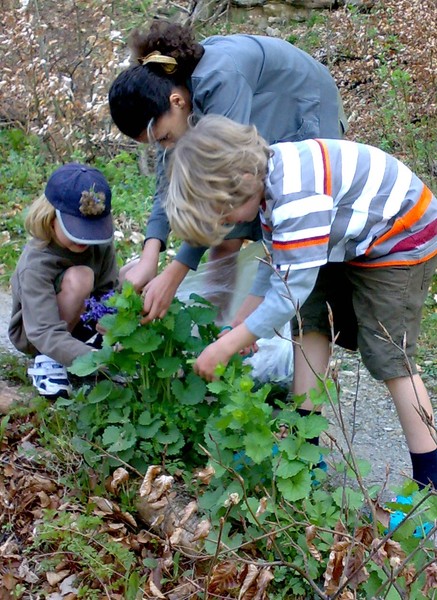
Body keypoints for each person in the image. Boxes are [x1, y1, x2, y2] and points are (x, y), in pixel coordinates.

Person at [164, 114, 437, 492]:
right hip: (344, 236)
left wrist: (229, 344)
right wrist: (241, 323)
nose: (227, 227)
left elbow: (286, 293)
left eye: (224, 216)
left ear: (242, 182)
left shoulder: (294, 197)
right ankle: (304, 450)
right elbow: (278, 263)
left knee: (388, 354)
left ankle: (430, 482)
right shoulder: (267, 182)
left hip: (402, 234)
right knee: (309, 322)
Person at [108, 20, 348, 322]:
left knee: (264, 216)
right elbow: (166, 182)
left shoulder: (219, 78)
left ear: (178, 102)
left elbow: (223, 179)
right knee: (225, 231)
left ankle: (275, 325)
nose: (166, 146)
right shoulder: (167, 100)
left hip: (302, 107)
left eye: (165, 138)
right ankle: (219, 332)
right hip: (261, 104)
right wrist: (149, 255)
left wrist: (174, 273)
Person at [8, 163, 118, 398]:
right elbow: (43, 330)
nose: (85, 239)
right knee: (81, 278)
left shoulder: (100, 246)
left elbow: (109, 290)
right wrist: (98, 360)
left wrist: (114, 327)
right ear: (50, 218)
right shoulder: (36, 262)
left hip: (81, 321)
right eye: (77, 229)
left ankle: (80, 350)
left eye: (93, 230)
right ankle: (48, 360)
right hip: (39, 332)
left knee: (138, 271)